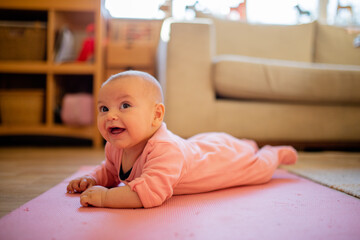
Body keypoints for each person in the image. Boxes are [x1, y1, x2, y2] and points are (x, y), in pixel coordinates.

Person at [66, 70, 297, 209]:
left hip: (222, 163)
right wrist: (91, 179)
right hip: (198, 146)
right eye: (103, 108)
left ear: (156, 115)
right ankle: (246, 144)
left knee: (257, 168)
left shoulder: (165, 150)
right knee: (219, 143)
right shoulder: (115, 146)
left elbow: (149, 194)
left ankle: (271, 152)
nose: (111, 115)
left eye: (125, 106)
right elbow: (110, 171)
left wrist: (106, 197)